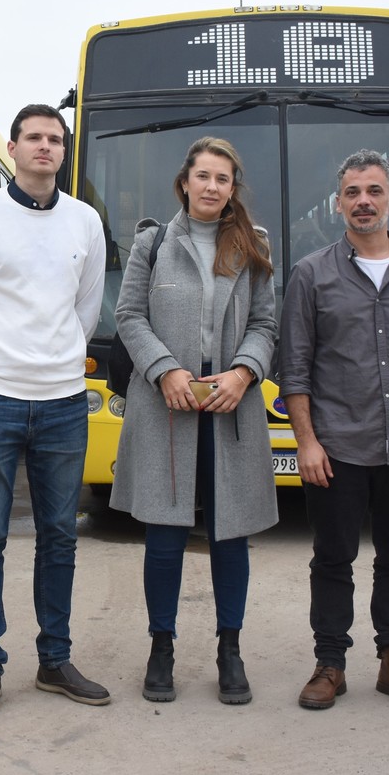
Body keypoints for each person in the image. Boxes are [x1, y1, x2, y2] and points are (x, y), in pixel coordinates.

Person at [0, 103, 110, 718]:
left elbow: (86, 310)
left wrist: (53, 361)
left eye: (54, 139)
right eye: (33, 138)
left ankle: (54, 660)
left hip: (63, 402)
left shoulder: (86, 222)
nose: (45, 147)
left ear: (64, 152)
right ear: (12, 148)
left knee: (60, 535)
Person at [279, 149, 389, 712]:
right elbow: (295, 367)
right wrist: (306, 442)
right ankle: (330, 663)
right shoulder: (311, 274)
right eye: (353, 193)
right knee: (332, 559)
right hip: (336, 447)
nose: (364, 202)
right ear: (339, 205)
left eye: (374, 191)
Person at [110, 136, 278, 705]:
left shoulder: (252, 245)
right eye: (202, 176)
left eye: (222, 179)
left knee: (232, 536)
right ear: (185, 181)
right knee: (164, 535)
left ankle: (230, 650)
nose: (211, 187)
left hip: (231, 405)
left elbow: (265, 325)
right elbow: (129, 315)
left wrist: (242, 374)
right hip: (168, 406)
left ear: (233, 188)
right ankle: (162, 647)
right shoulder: (153, 242)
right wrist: (164, 371)